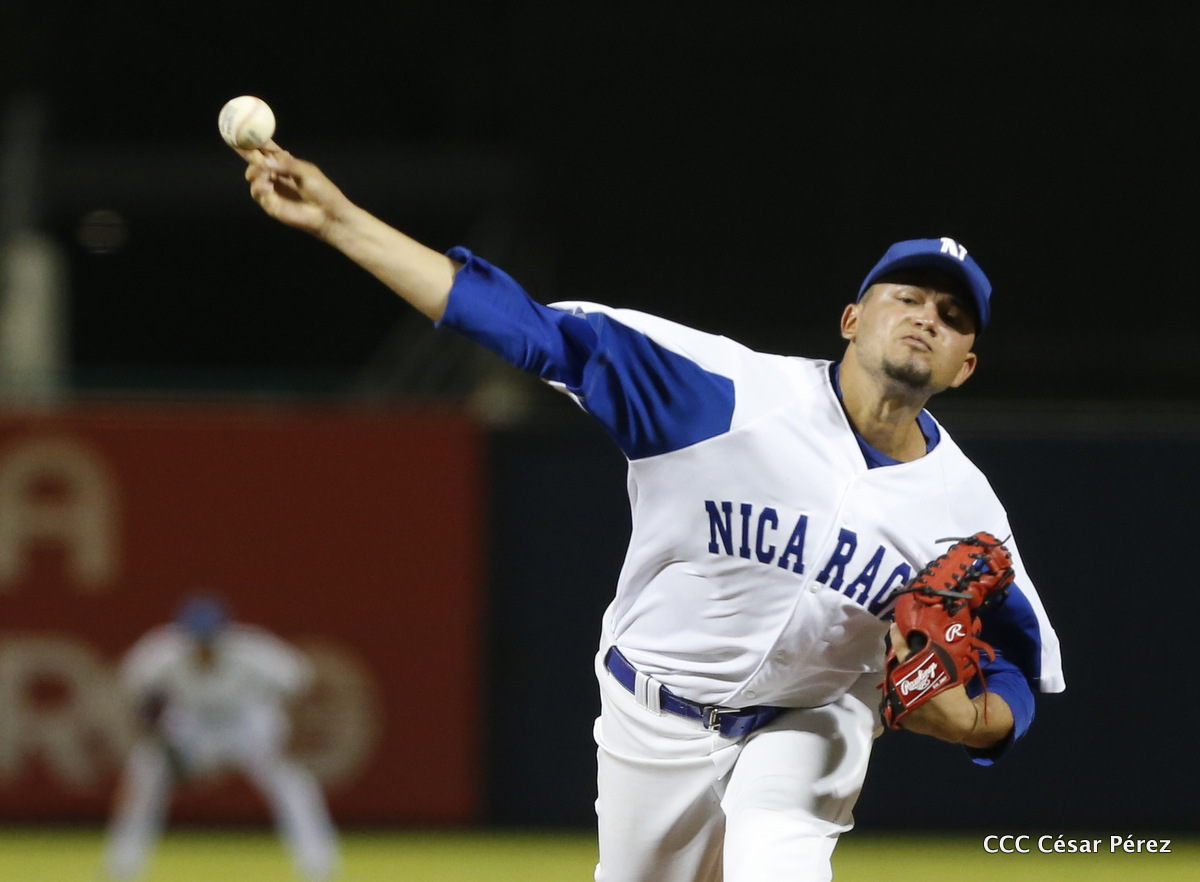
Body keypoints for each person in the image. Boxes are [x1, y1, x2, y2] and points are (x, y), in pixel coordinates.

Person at [235, 141, 1064, 882]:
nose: (927, 318)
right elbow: (525, 328)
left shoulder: (965, 508)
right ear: (852, 319)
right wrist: (341, 221)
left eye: (953, 317)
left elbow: (1021, 671)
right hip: (654, 712)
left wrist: (974, 723)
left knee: (778, 857)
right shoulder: (724, 392)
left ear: (965, 366)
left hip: (816, 715)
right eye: (908, 296)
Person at [102, 595, 339, 881]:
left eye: (209, 639)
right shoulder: (163, 652)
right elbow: (133, 698)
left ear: (224, 635)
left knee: (294, 783)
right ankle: (122, 868)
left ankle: (318, 867)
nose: (203, 646)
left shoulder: (251, 651)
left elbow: (301, 683)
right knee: (145, 771)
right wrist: (159, 741)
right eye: (197, 639)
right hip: (193, 725)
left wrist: (290, 733)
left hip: (247, 723)